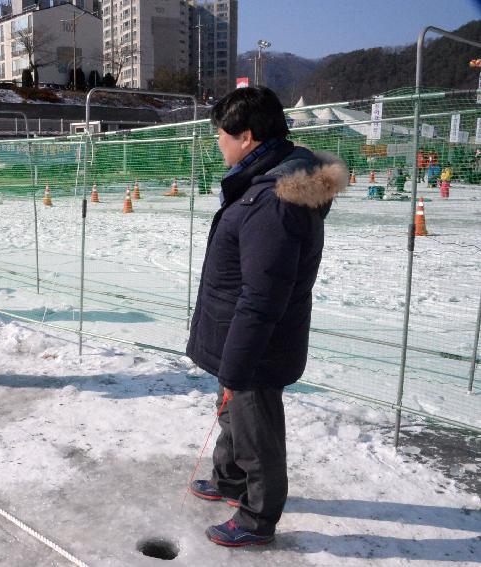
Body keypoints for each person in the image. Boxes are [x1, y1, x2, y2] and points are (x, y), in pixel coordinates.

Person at [185, 87, 347, 547]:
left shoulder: (273, 201)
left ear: (247, 137)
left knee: (257, 434)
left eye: (222, 134)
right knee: (233, 418)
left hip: (256, 342)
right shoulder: (261, 184)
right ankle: (228, 480)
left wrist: (237, 364)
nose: (218, 142)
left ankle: (257, 519)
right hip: (238, 336)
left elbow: (263, 294)